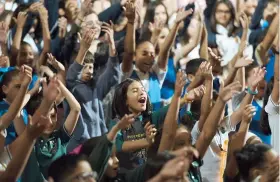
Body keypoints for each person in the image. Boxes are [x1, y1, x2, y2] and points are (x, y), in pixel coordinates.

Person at [66, 24, 120, 151]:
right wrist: (83, 50)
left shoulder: (96, 86)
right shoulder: (72, 87)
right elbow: (71, 76)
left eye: (90, 67)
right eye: (84, 66)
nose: (88, 70)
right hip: (80, 146)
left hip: (99, 143)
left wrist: (112, 45)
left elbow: (113, 75)